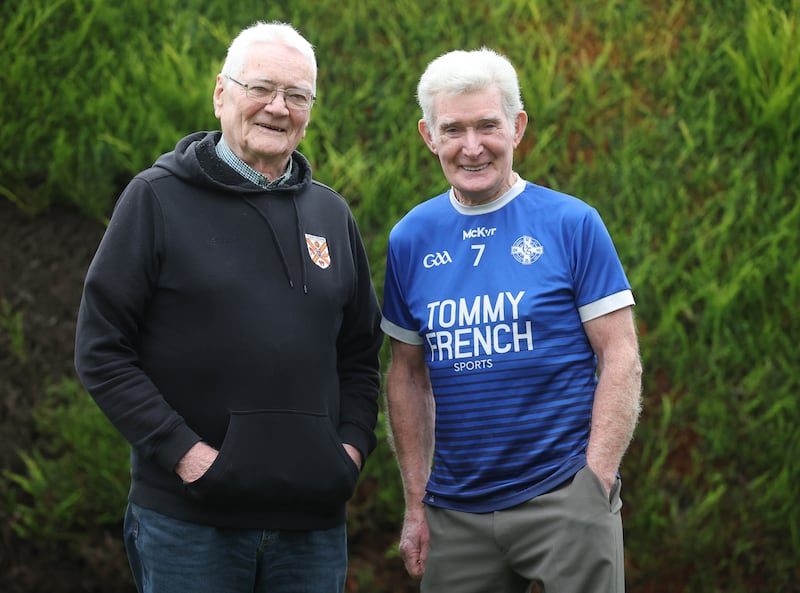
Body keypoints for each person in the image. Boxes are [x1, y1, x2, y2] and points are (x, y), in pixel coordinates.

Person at [74, 21, 383, 593]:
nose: (277, 108)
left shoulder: (331, 216)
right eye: (260, 88)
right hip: (190, 524)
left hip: (312, 528)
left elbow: (361, 354)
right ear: (221, 93)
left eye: (296, 95)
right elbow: (102, 349)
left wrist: (349, 452)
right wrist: (186, 455)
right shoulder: (155, 199)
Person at [382, 48, 643, 593]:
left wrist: (593, 485)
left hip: (563, 497)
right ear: (428, 136)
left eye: (487, 126)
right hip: (455, 514)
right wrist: (416, 501)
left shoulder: (572, 223)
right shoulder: (410, 239)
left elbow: (620, 355)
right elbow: (406, 375)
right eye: (452, 129)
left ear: (517, 126)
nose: (471, 147)